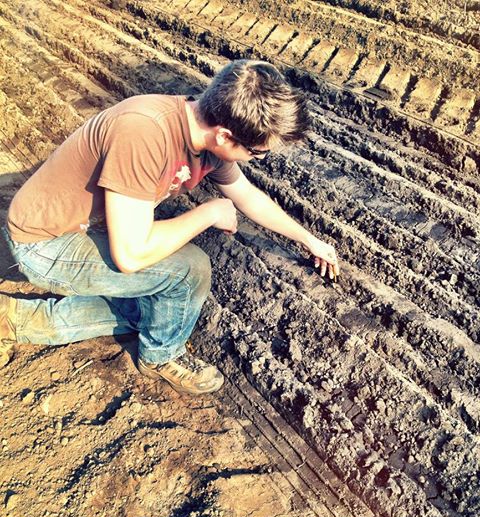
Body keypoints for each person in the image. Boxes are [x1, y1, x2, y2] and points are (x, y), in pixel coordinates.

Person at [0, 60, 339, 394]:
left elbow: (247, 195)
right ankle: (161, 356)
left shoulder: (207, 137)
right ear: (224, 135)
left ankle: (17, 317)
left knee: (150, 311)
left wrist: (308, 239)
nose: (257, 159)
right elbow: (131, 256)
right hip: (46, 243)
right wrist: (207, 213)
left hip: (86, 226)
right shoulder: (145, 133)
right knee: (188, 270)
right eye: (257, 153)